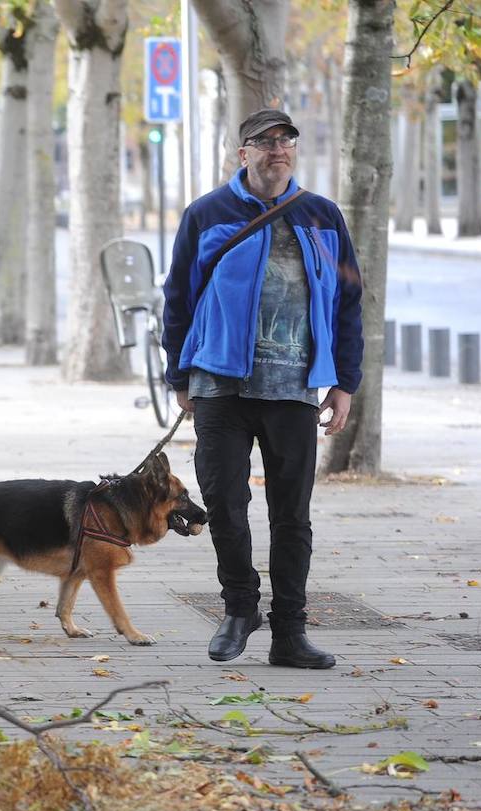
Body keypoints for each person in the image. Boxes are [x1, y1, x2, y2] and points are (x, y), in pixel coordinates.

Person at [161, 108, 364, 671]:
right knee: (224, 503)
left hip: (294, 389)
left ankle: (290, 632)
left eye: (287, 140)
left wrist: (345, 382)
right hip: (220, 388)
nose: (278, 149)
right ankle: (239, 608)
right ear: (242, 152)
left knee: (291, 515)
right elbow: (178, 298)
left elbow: (348, 303)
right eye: (265, 141)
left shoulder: (322, 216)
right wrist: (178, 376)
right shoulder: (207, 214)